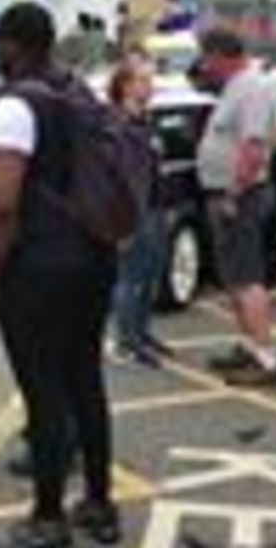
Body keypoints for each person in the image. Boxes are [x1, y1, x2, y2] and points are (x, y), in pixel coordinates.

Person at [0, 2, 121, 548]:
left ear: (17, 47)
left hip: (39, 267)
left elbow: (3, 205)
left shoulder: (14, 107)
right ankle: (100, 505)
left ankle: (47, 518)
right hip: (93, 258)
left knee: (42, 393)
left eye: (1, 45)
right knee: (86, 380)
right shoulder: (78, 93)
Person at [195, 27, 276, 388]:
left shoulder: (252, 88)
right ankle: (248, 347)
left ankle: (266, 360)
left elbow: (254, 148)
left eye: (206, 57)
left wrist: (233, 192)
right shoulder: (236, 87)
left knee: (247, 278)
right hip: (225, 194)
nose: (204, 65)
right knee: (233, 277)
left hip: (240, 197)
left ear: (221, 55)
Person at [106, 53, 173, 368]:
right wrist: (123, 221)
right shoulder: (119, 124)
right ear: (126, 85)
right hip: (134, 210)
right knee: (129, 279)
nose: (151, 86)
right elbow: (122, 176)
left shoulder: (145, 120)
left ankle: (142, 333)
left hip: (154, 206)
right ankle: (125, 342)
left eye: (151, 80)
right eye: (144, 80)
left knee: (149, 275)